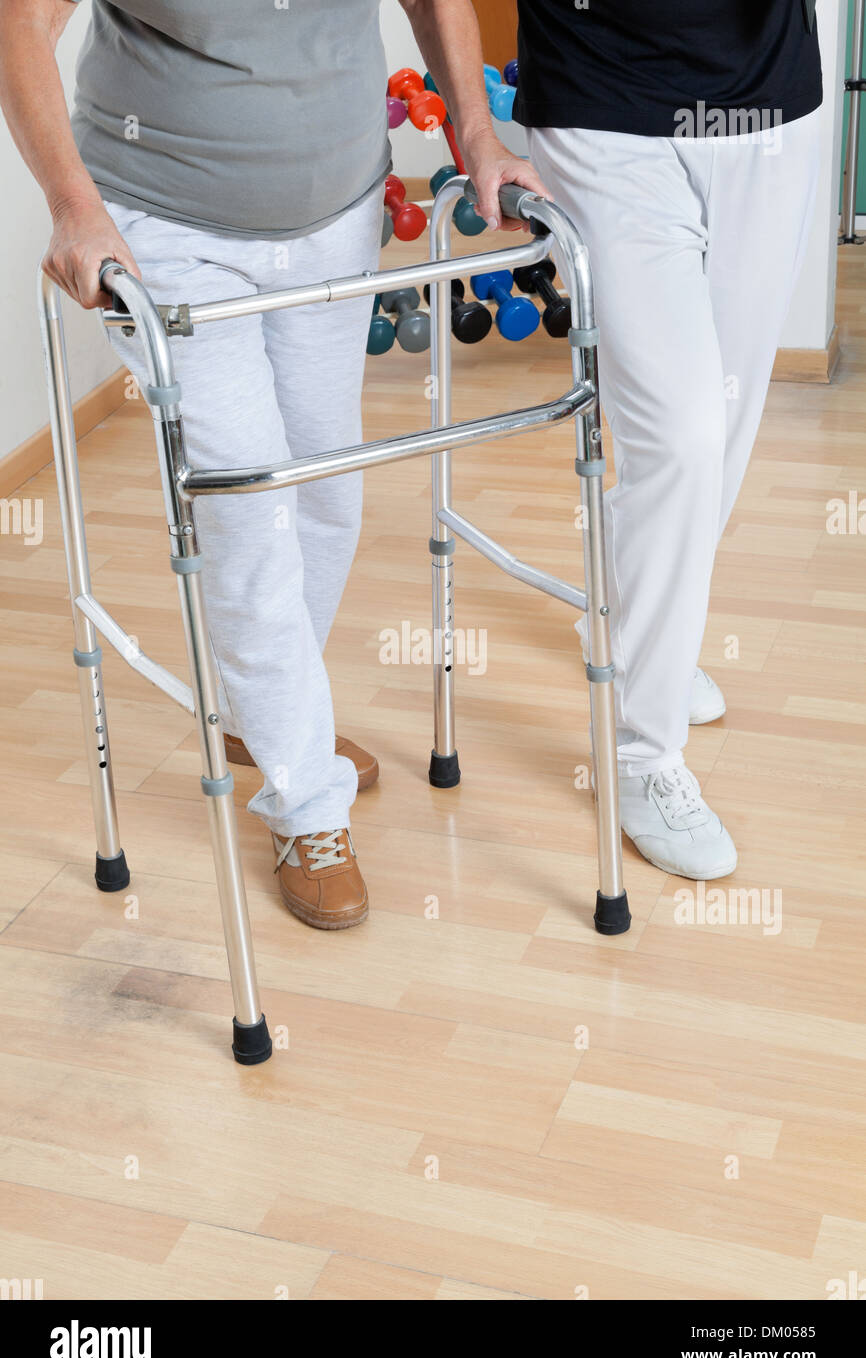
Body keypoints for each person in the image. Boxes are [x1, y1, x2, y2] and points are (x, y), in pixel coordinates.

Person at [0, 0, 548, 928]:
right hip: (165, 226)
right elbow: (21, 21)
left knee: (327, 496)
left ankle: (270, 720)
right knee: (251, 505)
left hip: (335, 212)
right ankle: (305, 802)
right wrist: (73, 205)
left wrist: (478, 133)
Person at [514, 0, 823, 880]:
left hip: (769, 108)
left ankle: (646, 632)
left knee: (725, 423)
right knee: (680, 438)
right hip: (602, 101)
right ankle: (645, 758)